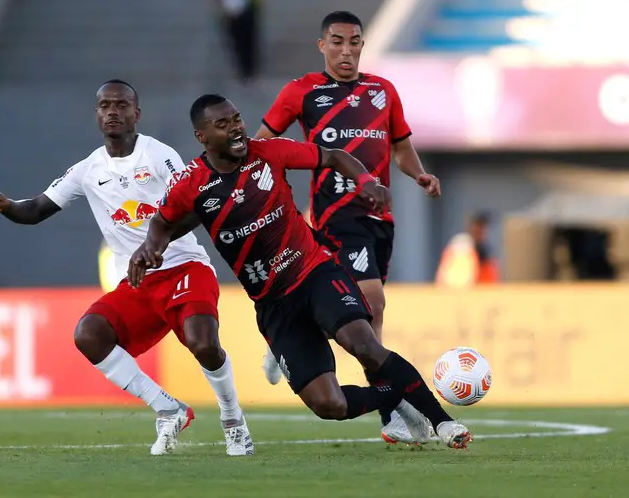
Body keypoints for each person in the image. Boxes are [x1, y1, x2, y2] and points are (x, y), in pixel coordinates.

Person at [129, 94, 471, 449]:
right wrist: (150, 248)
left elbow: (335, 156)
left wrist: (366, 181)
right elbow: (162, 223)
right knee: (329, 404)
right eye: (222, 124)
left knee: (363, 344)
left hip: (315, 272)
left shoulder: (270, 152)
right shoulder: (190, 183)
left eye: (236, 119)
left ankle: (443, 423)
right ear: (202, 136)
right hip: (274, 304)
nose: (235, 128)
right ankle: (392, 397)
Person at [0, 80, 253, 457]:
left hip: (184, 266)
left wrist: (156, 244)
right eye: (105, 105)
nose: (113, 111)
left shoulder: (157, 155)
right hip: (137, 282)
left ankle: (233, 420)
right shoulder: (88, 169)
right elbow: (36, 209)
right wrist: (7, 206)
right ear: (97, 114)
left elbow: (199, 203)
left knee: (203, 344)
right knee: (89, 334)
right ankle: (169, 410)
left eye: (121, 105)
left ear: (137, 113)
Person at [255, 10, 441, 445]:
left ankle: (294, 332)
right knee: (370, 302)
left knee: (365, 313)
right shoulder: (301, 91)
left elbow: (401, 147)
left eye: (354, 41)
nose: (346, 50)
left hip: (380, 220)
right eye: (337, 41)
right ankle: (393, 412)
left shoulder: (383, 91)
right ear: (323, 45)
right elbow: (264, 144)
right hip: (334, 215)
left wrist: (419, 174)